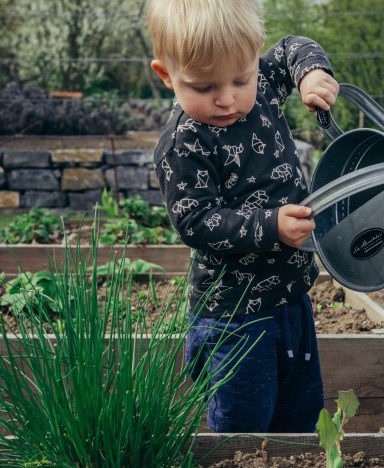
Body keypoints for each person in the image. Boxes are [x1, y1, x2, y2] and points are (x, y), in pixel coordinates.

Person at [146, 0, 339, 433]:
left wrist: (310, 73)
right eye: (203, 87)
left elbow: (292, 48)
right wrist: (270, 226)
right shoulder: (185, 144)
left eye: (241, 78)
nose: (227, 98)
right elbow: (195, 219)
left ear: (254, 59)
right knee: (244, 425)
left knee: (301, 414)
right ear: (166, 76)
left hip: (292, 299)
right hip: (234, 315)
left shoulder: (265, 85)